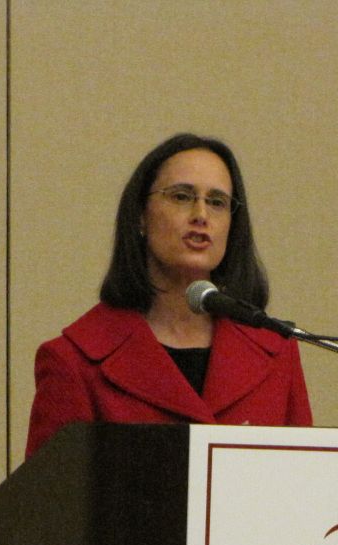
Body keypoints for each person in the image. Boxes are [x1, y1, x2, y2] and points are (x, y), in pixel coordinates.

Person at [25, 133, 312, 458]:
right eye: (181, 196)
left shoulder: (276, 351)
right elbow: (49, 503)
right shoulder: (75, 360)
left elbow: (302, 491)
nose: (201, 214)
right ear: (141, 217)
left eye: (217, 202)